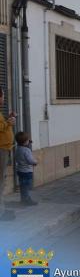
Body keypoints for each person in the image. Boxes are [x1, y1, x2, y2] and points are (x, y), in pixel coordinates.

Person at [0, 88, 16, 221]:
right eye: (3, 96)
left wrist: (7, 121)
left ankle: (2, 210)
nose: (3, 99)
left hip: (4, 149)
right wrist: (8, 123)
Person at [14, 132, 38, 206]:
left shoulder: (18, 149)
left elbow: (16, 158)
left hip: (20, 170)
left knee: (22, 186)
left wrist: (27, 142)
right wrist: (36, 162)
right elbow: (30, 160)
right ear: (25, 142)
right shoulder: (26, 150)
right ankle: (27, 200)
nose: (29, 141)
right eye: (28, 140)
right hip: (27, 171)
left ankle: (23, 199)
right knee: (26, 187)